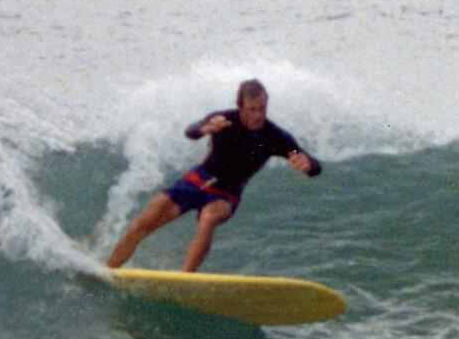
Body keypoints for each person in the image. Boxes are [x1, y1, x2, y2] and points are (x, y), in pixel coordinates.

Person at [107, 79, 321, 272]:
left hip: (226, 193)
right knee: (144, 223)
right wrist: (205, 129)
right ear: (240, 107)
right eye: (252, 109)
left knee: (208, 218)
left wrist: (307, 163)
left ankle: (185, 279)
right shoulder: (223, 120)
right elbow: (192, 131)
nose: (257, 115)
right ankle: (110, 269)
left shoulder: (275, 137)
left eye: (262, 108)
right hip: (196, 180)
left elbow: (299, 156)